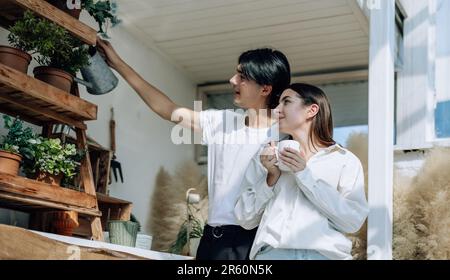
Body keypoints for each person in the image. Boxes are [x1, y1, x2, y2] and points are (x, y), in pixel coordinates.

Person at [96, 38, 291, 260]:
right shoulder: (222, 121)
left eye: (242, 77)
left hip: (253, 244)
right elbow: (166, 108)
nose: (232, 80)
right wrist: (118, 64)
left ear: (265, 88)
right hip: (211, 240)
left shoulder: (284, 136)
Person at [234, 83, 369, 260]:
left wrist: (304, 174)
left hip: (324, 256)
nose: (277, 110)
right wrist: (271, 178)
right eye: (277, 103)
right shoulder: (266, 156)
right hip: (273, 255)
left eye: (286, 102)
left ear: (312, 110)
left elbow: (352, 221)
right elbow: (244, 218)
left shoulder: (344, 160)